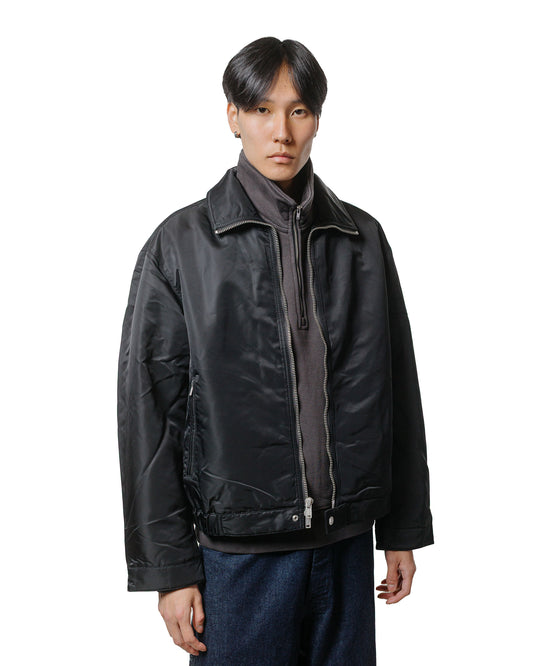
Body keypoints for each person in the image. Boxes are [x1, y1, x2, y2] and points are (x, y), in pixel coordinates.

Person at [116, 36, 434, 665]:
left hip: (346, 548)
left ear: (317, 118)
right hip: (237, 560)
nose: (281, 131)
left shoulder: (362, 239)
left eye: (298, 110)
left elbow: (397, 389)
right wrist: (170, 568)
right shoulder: (181, 245)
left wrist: (401, 527)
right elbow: (148, 416)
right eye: (261, 110)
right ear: (233, 116)